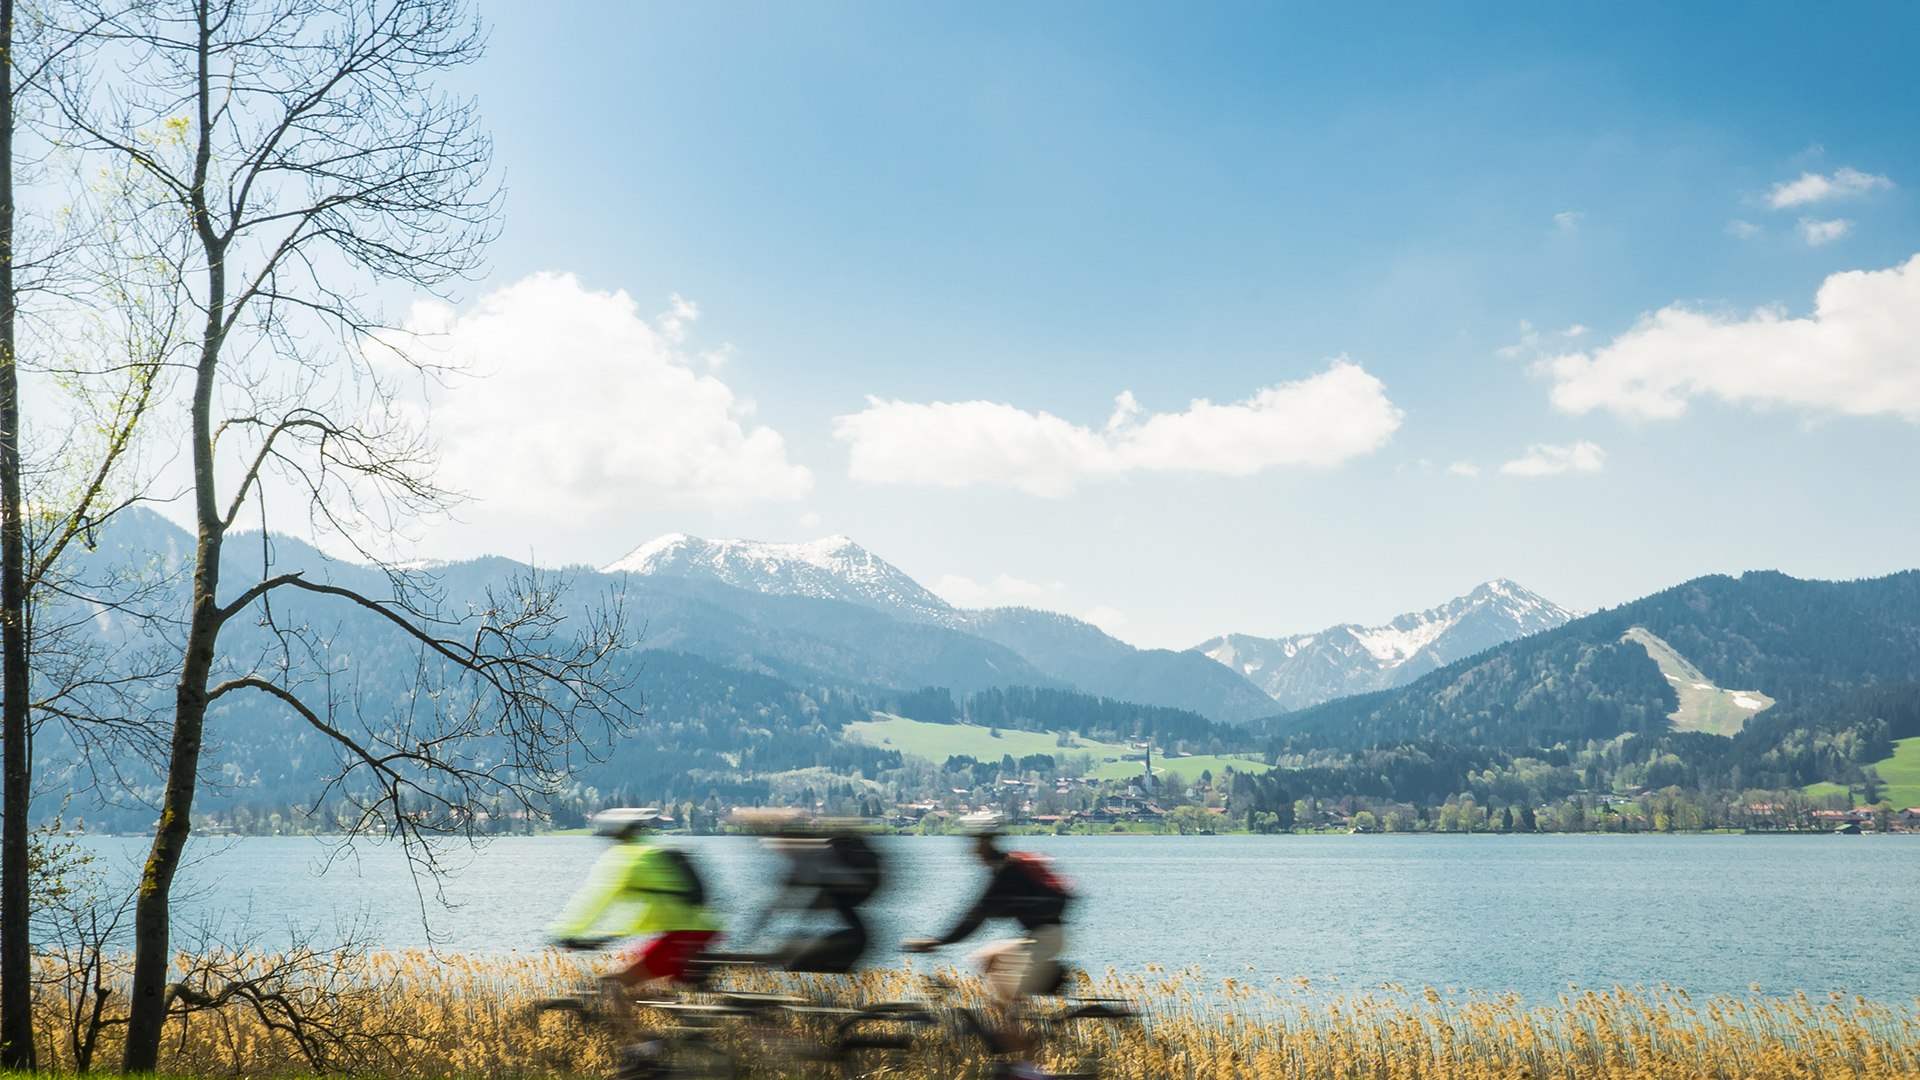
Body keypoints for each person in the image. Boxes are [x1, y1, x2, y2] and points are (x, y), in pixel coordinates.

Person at [901, 812, 1073, 1059]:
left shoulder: (1007, 873)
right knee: (986, 958)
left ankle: (1022, 1047)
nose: (971, 850)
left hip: (1049, 937)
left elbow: (976, 915)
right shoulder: (1004, 869)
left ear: (984, 843)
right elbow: (979, 912)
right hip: (1039, 936)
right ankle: (1011, 1031)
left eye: (974, 843)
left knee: (1012, 992)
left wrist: (939, 941)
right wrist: (943, 940)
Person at [550, 807, 721, 988]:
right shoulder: (651, 852)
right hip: (693, 931)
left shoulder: (627, 859)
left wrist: (568, 932)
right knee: (649, 977)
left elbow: (596, 901)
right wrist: (611, 933)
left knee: (623, 979)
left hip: (685, 934)